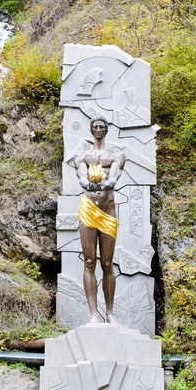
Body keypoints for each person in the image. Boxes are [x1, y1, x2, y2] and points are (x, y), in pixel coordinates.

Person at [74, 116, 126, 323]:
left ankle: (110, 313)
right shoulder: (83, 154)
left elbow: (115, 174)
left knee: (107, 263)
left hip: (107, 208)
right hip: (88, 208)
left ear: (106, 130)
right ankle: (93, 315)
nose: (98, 129)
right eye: (95, 127)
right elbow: (80, 173)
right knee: (89, 261)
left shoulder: (116, 153)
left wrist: (108, 182)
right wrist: (86, 182)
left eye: (101, 127)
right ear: (90, 129)